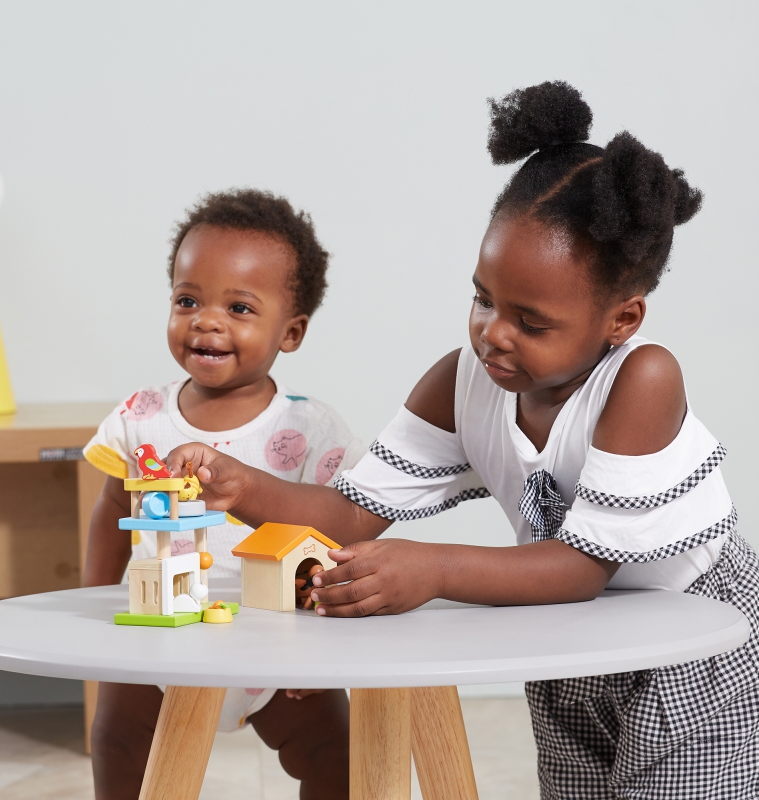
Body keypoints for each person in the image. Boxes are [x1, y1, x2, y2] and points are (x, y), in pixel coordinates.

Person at [165, 83, 759, 798]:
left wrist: (435, 568)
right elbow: (349, 514)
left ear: (621, 319)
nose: (492, 334)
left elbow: (581, 568)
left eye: (531, 323)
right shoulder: (462, 382)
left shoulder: (643, 379)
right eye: (482, 298)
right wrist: (240, 484)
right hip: (576, 636)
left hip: (690, 645)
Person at [82, 189, 363, 800]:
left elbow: (338, 534)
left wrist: (328, 644)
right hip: (157, 632)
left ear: (291, 332)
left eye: (239, 307)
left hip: (278, 645)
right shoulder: (140, 416)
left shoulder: (311, 428)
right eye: (188, 300)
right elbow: (112, 510)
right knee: (117, 746)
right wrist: (93, 603)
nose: (206, 321)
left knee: (337, 757)